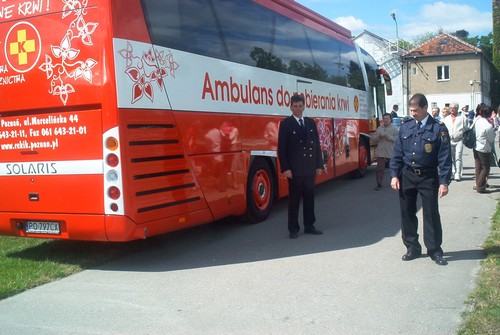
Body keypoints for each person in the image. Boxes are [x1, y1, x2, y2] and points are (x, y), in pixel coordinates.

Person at [390, 93, 452, 266]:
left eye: (415, 110)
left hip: (428, 176)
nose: (413, 113)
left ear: (425, 108)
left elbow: (445, 157)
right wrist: (394, 175)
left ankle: (434, 250)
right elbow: (397, 153)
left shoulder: (438, 128)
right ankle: (412, 247)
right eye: (410, 110)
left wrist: (444, 181)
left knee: (431, 213)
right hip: (407, 175)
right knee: (407, 212)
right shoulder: (406, 126)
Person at [278, 94, 324, 239]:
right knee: (294, 200)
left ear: (304, 106)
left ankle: (309, 225)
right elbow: (282, 149)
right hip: (295, 170)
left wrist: (319, 165)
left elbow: (316, 145)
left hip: (310, 168)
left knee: (310, 198)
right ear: (290, 107)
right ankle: (293, 228)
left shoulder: (311, 123)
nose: (298, 109)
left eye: (300, 106)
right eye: (295, 106)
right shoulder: (286, 124)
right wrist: (285, 168)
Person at [371, 113, 399, 190]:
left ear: (390, 119)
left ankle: (395, 183)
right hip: (381, 152)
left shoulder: (394, 128)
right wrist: (378, 137)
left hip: (391, 152)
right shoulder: (379, 128)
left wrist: (388, 136)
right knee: (380, 169)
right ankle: (379, 184)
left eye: (387, 119)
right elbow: (374, 139)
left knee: (394, 168)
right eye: (384, 119)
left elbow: (397, 139)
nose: (385, 120)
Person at [473, 105, 496, 193]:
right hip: (484, 148)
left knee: (478, 166)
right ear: (489, 114)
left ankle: (477, 183)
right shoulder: (488, 125)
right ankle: (480, 186)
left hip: (476, 146)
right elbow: (491, 139)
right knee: (486, 167)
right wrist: (494, 131)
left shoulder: (477, 120)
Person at [443, 102, 468, 181]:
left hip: (459, 140)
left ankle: (458, 173)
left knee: (458, 157)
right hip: (449, 140)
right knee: (450, 157)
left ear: (457, 108)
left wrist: (461, 134)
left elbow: (466, 128)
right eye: (451, 108)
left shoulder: (462, 117)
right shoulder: (446, 119)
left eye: (453, 108)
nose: (452, 110)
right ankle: (452, 171)